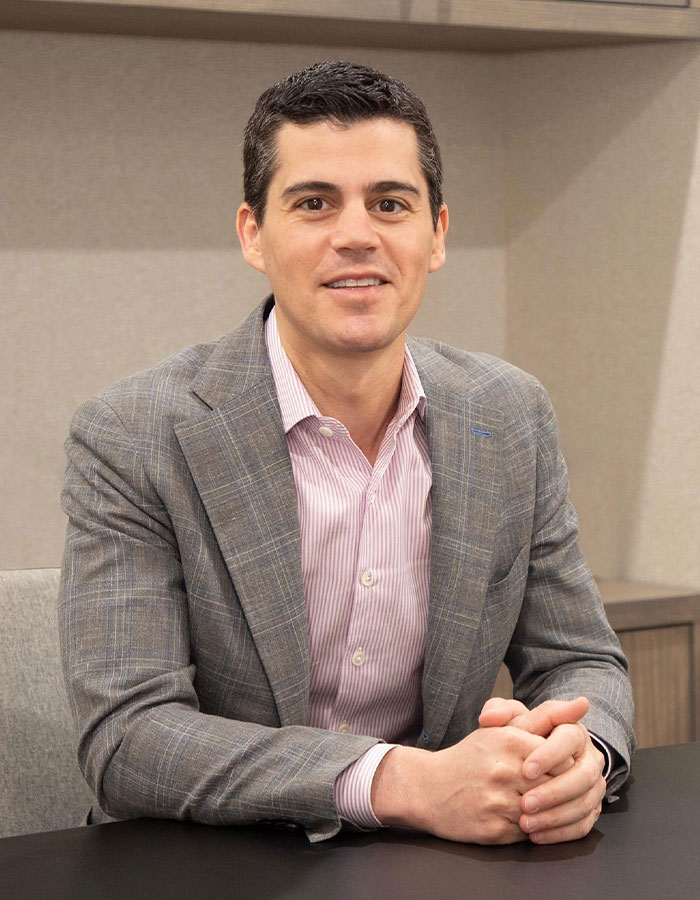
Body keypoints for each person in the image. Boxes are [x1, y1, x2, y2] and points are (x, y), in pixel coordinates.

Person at [59, 60, 634, 846]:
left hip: (443, 857)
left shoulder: (509, 414)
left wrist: (583, 755)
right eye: (314, 202)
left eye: (390, 204)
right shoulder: (135, 433)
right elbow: (128, 737)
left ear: (436, 235)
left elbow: (581, 660)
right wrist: (398, 779)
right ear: (253, 234)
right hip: (213, 863)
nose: (356, 234)